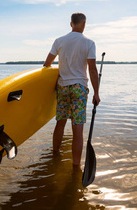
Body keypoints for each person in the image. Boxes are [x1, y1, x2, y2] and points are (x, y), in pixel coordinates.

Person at [43, 13, 100, 168]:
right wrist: (96, 93)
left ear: (71, 24)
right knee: (77, 128)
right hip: (79, 88)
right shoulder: (89, 43)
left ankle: (55, 155)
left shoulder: (59, 41)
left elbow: (47, 63)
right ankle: (76, 167)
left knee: (60, 123)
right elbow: (92, 70)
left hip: (62, 87)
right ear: (84, 23)